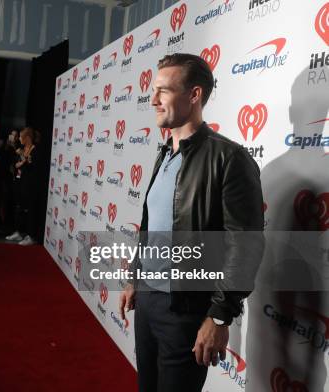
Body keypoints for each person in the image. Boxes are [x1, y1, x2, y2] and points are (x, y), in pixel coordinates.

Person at [118, 53, 264, 392]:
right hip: (148, 302)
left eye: (164, 91)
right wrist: (134, 279)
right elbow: (152, 227)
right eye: (154, 91)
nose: (153, 100)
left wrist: (219, 315)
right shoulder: (164, 153)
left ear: (194, 95)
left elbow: (245, 245)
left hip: (185, 311)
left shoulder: (229, 158)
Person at [5, 127, 40, 246]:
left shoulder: (35, 150)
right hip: (20, 182)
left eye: (20, 136)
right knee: (19, 208)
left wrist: (23, 160)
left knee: (30, 210)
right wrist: (22, 160)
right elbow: (17, 164)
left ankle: (31, 236)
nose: (19, 138)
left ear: (27, 138)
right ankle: (19, 232)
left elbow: (31, 167)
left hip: (31, 185)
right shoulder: (21, 149)